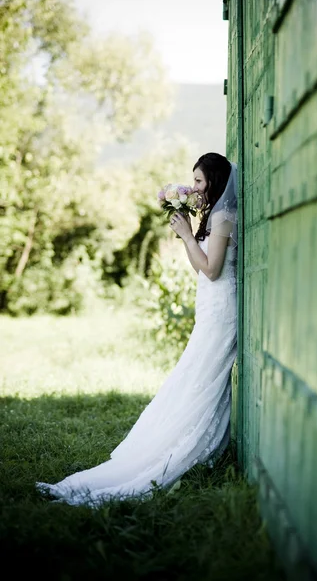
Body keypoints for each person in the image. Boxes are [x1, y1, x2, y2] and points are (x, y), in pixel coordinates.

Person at [36, 152, 238, 506]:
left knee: (199, 378)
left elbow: (212, 270)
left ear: (216, 181)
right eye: (193, 181)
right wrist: (190, 238)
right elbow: (202, 269)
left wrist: (189, 238)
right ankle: (177, 445)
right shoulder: (214, 216)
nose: (194, 188)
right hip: (210, 308)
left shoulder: (223, 216)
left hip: (222, 312)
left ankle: (187, 448)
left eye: (200, 181)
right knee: (194, 377)